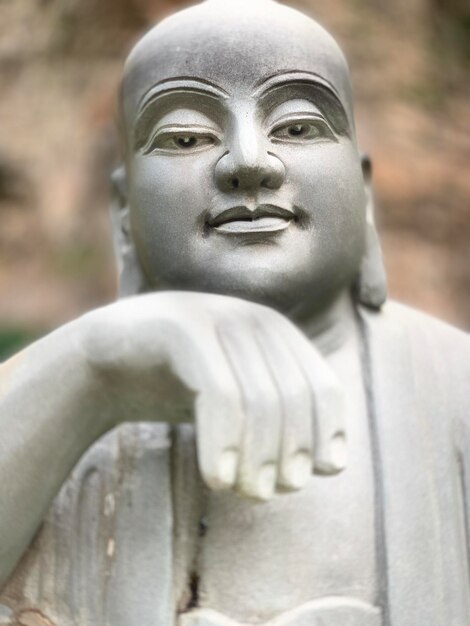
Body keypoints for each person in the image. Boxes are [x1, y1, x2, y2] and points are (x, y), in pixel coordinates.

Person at [0, 0, 468, 624]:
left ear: (365, 197)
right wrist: (91, 372)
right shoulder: (72, 396)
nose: (249, 161)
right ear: (123, 213)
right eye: (185, 136)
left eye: (298, 126)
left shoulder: (454, 394)